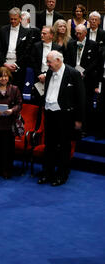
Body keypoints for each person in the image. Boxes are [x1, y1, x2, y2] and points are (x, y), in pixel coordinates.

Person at [38, 50, 85, 186]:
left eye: (49, 62)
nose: (47, 64)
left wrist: (79, 119)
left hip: (65, 116)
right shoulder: (49, 72)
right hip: (49, 114)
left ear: (58, 61)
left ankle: (62, 175)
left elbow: (81, 99)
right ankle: (47, 172)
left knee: (64, 147)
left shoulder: (73, 74)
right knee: (49, 145)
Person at [0, 67, 23, 179]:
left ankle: (7, 170)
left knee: (8, 149)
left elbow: (19, 104)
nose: (3, 78)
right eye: (1, 76)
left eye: (5, 76)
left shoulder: (15, 89)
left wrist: (12, 110)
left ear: (9, 77)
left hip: (9, 124)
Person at [65, 24, 99, 137]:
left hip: (87, 79)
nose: (77, 35)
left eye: (79, 33)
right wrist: (74, 72)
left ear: (85, 33)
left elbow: (95, 62)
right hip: (73, 78)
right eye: (76, 32)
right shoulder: (71, 44)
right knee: (73, 103)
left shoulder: (93, 45)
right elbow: (68, 61)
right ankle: (73, 128)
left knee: (86, 104)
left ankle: (85, 129)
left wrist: (83, 72)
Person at [0, 7, 31, 93]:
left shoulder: (27, 32)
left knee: (17, 91)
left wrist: (16, 64)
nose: (13, 21)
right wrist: (5, 64)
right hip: (5, 64)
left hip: (19, 65)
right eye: (11, 19)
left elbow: (26, 52)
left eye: (15, 19)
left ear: (20, 19)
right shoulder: (3, 30)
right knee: (3, 90)